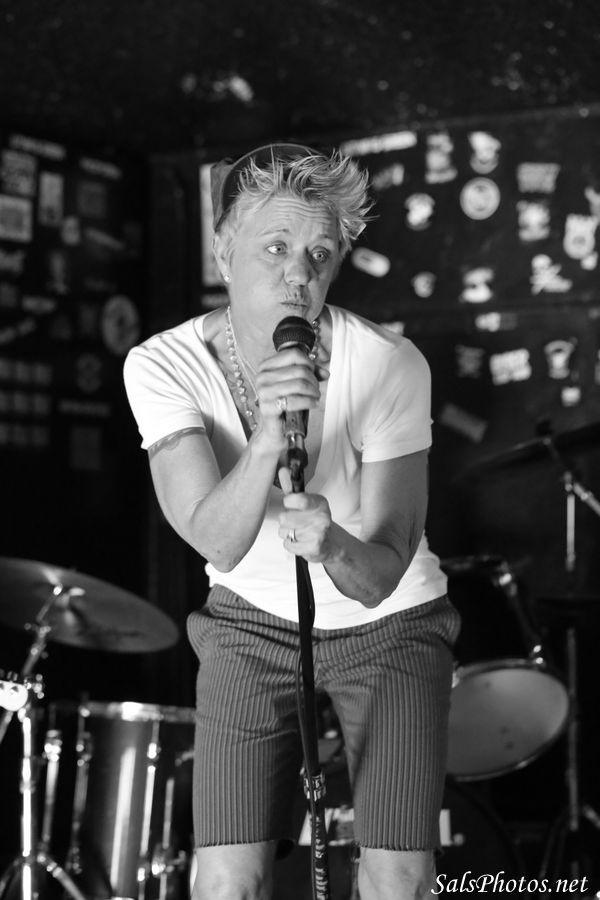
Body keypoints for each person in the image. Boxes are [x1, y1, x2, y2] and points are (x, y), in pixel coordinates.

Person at [123, 143, 460, 900]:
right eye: (275, 247)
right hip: (249, 620)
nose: (298, 274)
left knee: (399, 877)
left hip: (392, 625)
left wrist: (332, 543)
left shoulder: (389, 363)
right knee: (226, 880)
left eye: (320, 253)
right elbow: (216, 540)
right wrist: (269, 433)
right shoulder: (162, 364)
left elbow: (382, 573)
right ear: (223, 251)